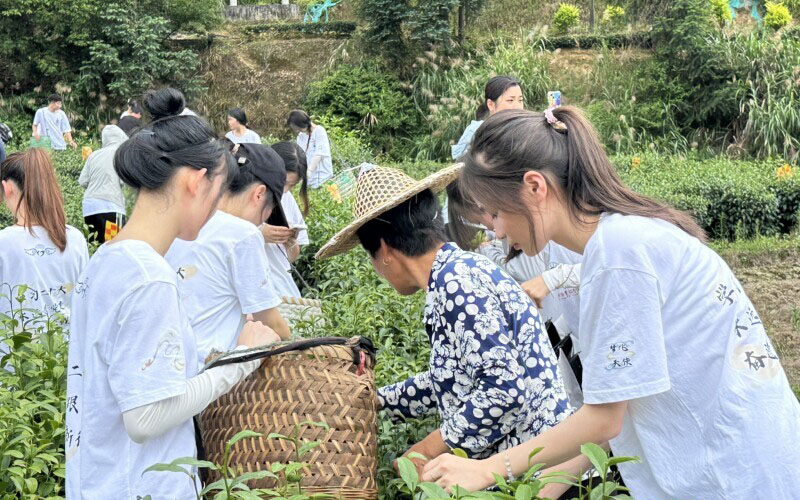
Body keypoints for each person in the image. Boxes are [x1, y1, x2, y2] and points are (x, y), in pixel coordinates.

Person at [421, 107, 800, 499]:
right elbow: (614, 410)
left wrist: (485, 470)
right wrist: (540, 490)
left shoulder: (618, 255)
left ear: (535, 187)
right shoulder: (621, 239)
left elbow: (604, 421)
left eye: (496, 213)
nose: (497, 232)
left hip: (735, 475)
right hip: (743, 460)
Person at [65, 88, 281, 499]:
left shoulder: (107, 260)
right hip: (142, 486)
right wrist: (240, 361)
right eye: (218, 196)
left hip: (98, 479)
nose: (216, 211)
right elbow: (145, 417)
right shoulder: (150, 278)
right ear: (196, 182)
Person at [316, 164, 573, 473]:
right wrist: (380, 400)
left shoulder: (455, 282)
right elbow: (452, 378)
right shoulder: (454, 274)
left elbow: (504, 390)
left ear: (384, 249)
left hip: (538, 474)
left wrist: (427, 449)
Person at [166, 141, 291, 368]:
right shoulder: (243, 235)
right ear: (259, 194)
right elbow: (273, 324)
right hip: (209, 377)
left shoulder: (188, 219)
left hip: (169, 364)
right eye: (268, 212)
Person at [0, 148, 89, 322]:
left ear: (7, 188)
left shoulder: (4, 242)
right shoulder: (75, 238)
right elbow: (84, 301)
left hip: (13, 347)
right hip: (65, 347)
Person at [443, 76, 524, 225]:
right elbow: (462, 176)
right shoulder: (479, 131)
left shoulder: (519, 131)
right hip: (473, 213)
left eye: (520, 100)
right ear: (491, 105)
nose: (518, 106)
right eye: (510, 100)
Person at [262, 141, 310, 298]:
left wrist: (290, 242)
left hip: (281, 285)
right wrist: (259, 234)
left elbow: (292, 257)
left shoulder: (287, 198)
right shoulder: (249, 193)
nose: (284, 191)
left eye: (292, 185)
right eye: (283, 183)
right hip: (256, 287)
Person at [79, 125, 128, 244]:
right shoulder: (121, 154)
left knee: (95, 245)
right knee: (113, 246)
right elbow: (124, 180)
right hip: (111, 206)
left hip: (90, 207)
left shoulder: (94, 155)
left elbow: (82, 181)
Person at [287, 110, 332, 188]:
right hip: (310, 182)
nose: (297, 129)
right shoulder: (300, 137)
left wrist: (310, 170)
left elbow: (319, 153)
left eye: (297, 126)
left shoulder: (319, 131)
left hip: (324, 178)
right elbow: (300, 156)